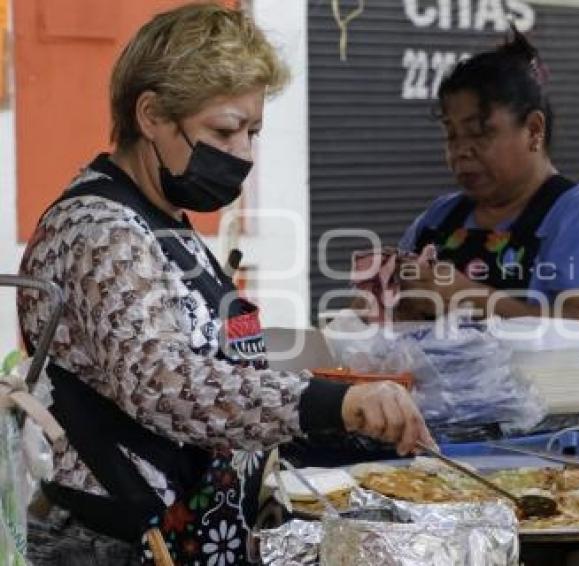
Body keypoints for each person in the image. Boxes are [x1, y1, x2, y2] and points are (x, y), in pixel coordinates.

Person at [18, 4, 432, 565]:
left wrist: (334, 417)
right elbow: (164, 383)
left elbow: (223, 364)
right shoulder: (99, 229)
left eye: (252, 131)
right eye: (224, 130)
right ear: (151, 115)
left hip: (188, 533)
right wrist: (332, 402)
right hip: (115, 543)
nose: (242, 154)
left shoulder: (162, 221)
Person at [397, 30, 579, 454]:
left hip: (549, 455)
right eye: (452, 135)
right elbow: (394, 332)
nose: (461, 152)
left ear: (533, 130)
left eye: (480, 133)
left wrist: (468, 296)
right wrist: (394, 306)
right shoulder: (438, 220)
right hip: (436, 453)